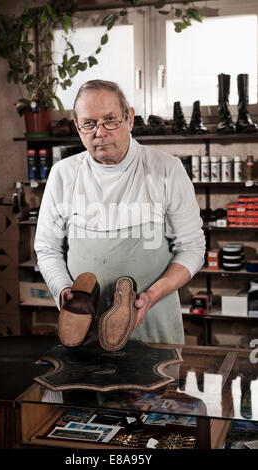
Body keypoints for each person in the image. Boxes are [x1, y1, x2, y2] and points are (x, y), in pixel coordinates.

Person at [34, 79, 206, 345]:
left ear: (130, 119)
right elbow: (46, 248)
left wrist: (151, 296)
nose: (99, 132)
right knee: (84, 386)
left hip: (154, 327)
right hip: (85, 331)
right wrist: (64, 291)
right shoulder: (64, 175)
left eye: (110, 120)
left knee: (155, 386)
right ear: (77, 127)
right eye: (88, 123)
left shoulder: (165, 170)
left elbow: (193, 247)